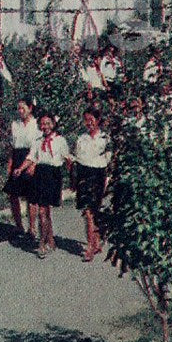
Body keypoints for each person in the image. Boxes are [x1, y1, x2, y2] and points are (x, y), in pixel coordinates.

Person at [24, 113, 69, 258]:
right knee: (43, 210)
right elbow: (32, 157)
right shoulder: (37, 141)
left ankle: (43, 243)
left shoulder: (60, 140)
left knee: (45, 210)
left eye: (48, 123)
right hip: (40, 174)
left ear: (54, 124)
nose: (45, 127)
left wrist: (74, 174)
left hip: (53, 175)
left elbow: (67, 157)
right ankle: (47, 240)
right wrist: (21, 168)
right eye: (42, 124)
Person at [72, 108, 111, 262]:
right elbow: (78, 158)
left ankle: (96, 242)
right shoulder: (81, 138)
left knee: (94, 210)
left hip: (99, 175)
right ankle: (90, 246)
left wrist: (107, 179)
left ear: (98, 119)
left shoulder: (105, 138)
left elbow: (108, 160)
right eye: (86, 120)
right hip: (84, 175)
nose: (89, 123)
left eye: (91, 119)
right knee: (87, 212)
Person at [5, 99, 42, 239]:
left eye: (23, 108)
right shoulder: (15, 125)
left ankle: (32, 228)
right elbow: (12, 147)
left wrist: (33, 164)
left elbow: (38, 147)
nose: (20, 111)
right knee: (13, 194)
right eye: (18, 108)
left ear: (30, 108)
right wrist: (10, 164)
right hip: (17, 157)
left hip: (31, 158)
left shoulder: (36, 125)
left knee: (30, 196)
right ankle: (19, 225)